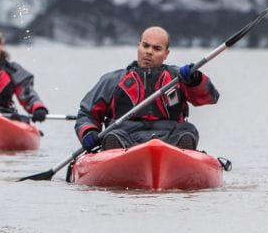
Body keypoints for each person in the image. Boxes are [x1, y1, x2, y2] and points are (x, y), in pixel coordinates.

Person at [75, 26, 219, 151]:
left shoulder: (179, 77)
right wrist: (88, 132)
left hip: (170, 138)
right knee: (112, 135)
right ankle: (115, 153)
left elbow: (211, 97)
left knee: (187, 131)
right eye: (145, 46)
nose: (149, 52)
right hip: (125, 138)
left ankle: (180, 155)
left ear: (166, 54)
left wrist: (195, 80)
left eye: (157, 48)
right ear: (138, 46)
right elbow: (87, 113)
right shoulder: (113, 80)